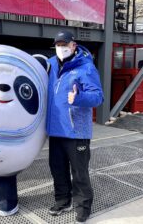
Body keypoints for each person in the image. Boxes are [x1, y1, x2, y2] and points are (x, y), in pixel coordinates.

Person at [46, 30, 104, 224]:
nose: (61, 48)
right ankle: (62, 201)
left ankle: (83, 206)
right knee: (57, 169)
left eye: (65, 44)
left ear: (73, 45)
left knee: (79, 172)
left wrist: (79, 98)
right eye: (58, 45)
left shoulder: (86, 67)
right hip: (56, 130)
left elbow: (98, 96)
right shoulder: (50, 64)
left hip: (76, 131)